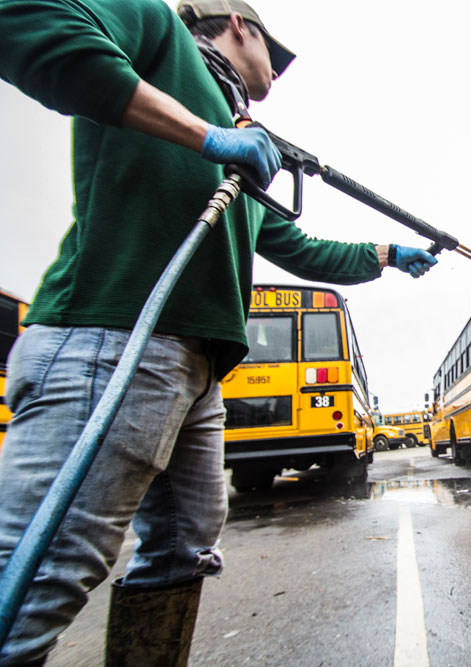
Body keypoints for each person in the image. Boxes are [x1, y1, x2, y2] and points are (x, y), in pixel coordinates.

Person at [0, 0, 437, 664]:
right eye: (274, 55)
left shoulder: (246, 143)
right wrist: (205, 136)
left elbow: (302, 247)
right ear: (240, 25)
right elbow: (25, 21)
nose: (275, 73)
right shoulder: (154, 32)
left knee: (183, 547)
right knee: (39, 577)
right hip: (112, 340)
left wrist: (384, 254)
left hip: (195, 369)